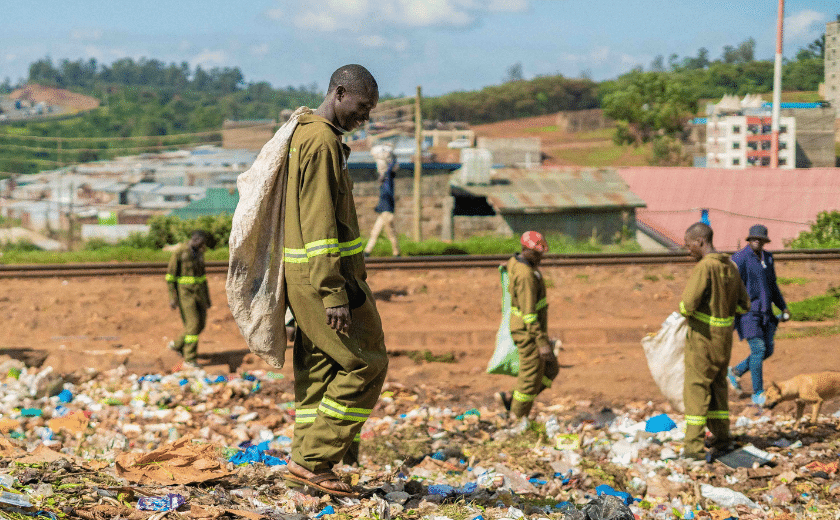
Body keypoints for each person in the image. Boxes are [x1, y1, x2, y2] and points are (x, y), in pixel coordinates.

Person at [282, 64, 388, 496]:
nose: (365, 117)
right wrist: (334, 294)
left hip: (305, 276)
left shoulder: (306, 133)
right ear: (340, 92)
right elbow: (321, 222)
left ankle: (305, 466)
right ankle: (312, 460)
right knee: (366, 363)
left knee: (321, 368)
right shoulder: (323, 141)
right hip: (323, 279)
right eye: (362, 107)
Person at [679, 223, 750, 461]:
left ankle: (693, 448)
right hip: (724, 341)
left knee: (696, 389)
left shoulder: (705, 267)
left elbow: (687, 305)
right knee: (718, 388)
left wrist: (687, 312)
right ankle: (722, 439)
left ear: (700, 241)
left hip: (703, 340)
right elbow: (744, 305)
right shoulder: (731, 266)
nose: (688, 250)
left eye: (689, 245)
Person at [497, 231, 559, 419]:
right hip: (528, 332)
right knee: (529, 379)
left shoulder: (519, 262)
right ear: (527, 250)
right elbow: (529, 315)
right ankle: (516, 419)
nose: (541, 257)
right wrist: (541, 343)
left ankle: (511, 399)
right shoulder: (526, 276)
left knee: (550, 369)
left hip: (530, 329)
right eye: (537, 253)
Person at [727, 224, 791, 406]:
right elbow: (730, 287)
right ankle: (758, 393)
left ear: (764, 241)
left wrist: (783, 307)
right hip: (747, 313)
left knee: (768, 350)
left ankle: (735, 372)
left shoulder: (768, 258)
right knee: (758, 349)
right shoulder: (739, 258)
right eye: (753, 238)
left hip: (766, 312)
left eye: (760, 239)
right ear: (749, 239)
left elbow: (773, 285)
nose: (756, 241)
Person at [166, 230, 211, 368]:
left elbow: (203, 278)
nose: (203, 245)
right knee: (193, 325)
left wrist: (207, 299)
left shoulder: (200, 253)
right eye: (201, 242)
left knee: (201, 324)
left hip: (200, 294)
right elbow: (170, 277)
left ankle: (177, 344)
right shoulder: (180, 252)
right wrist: (172, 297)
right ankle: (190, 359)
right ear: (195, 239)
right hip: (185, 294)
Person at [363, 143, 400, 257]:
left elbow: (388, 170)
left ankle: (396, 253)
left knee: (390, 233)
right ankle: (367, 252)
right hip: (383, 212)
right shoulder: (385, 183)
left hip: (387, 212)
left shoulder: (387, 180)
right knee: (375, 232)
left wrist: (392, 159)